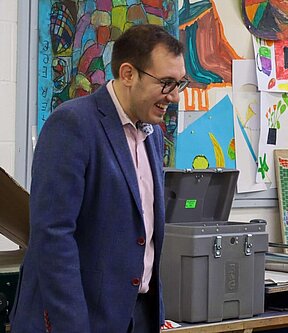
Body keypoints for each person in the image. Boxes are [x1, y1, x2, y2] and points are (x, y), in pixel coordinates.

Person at [9, 24, 188, 333]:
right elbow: (53, 236)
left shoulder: (153, 136)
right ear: (128, 74)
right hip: (79, 320)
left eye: (179, 83)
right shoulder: (73, 124)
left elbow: (143, 237)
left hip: (138, 317)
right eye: (166, 83)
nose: (173, 96)